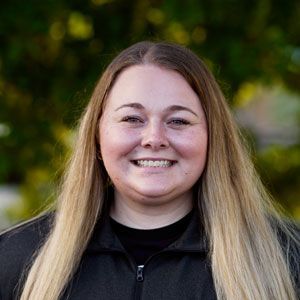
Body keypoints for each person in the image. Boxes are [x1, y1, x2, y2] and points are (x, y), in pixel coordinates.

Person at [0, 41, 299, 300]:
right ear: (97, 134)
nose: (154, 139)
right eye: (132, 118)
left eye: (179, 121)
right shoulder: (15, 257)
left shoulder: (287, 257)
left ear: (213, 138)